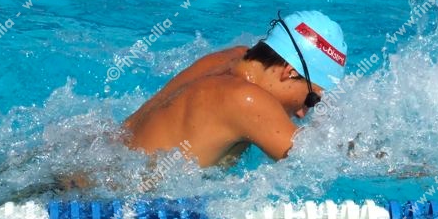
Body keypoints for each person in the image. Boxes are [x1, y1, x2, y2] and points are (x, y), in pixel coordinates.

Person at [123, 11, 348, 167]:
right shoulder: (246, 99)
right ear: (289, 72)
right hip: (132, 207)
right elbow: (317, 162)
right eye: (311, 100)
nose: (301, 113)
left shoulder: (229, 59)